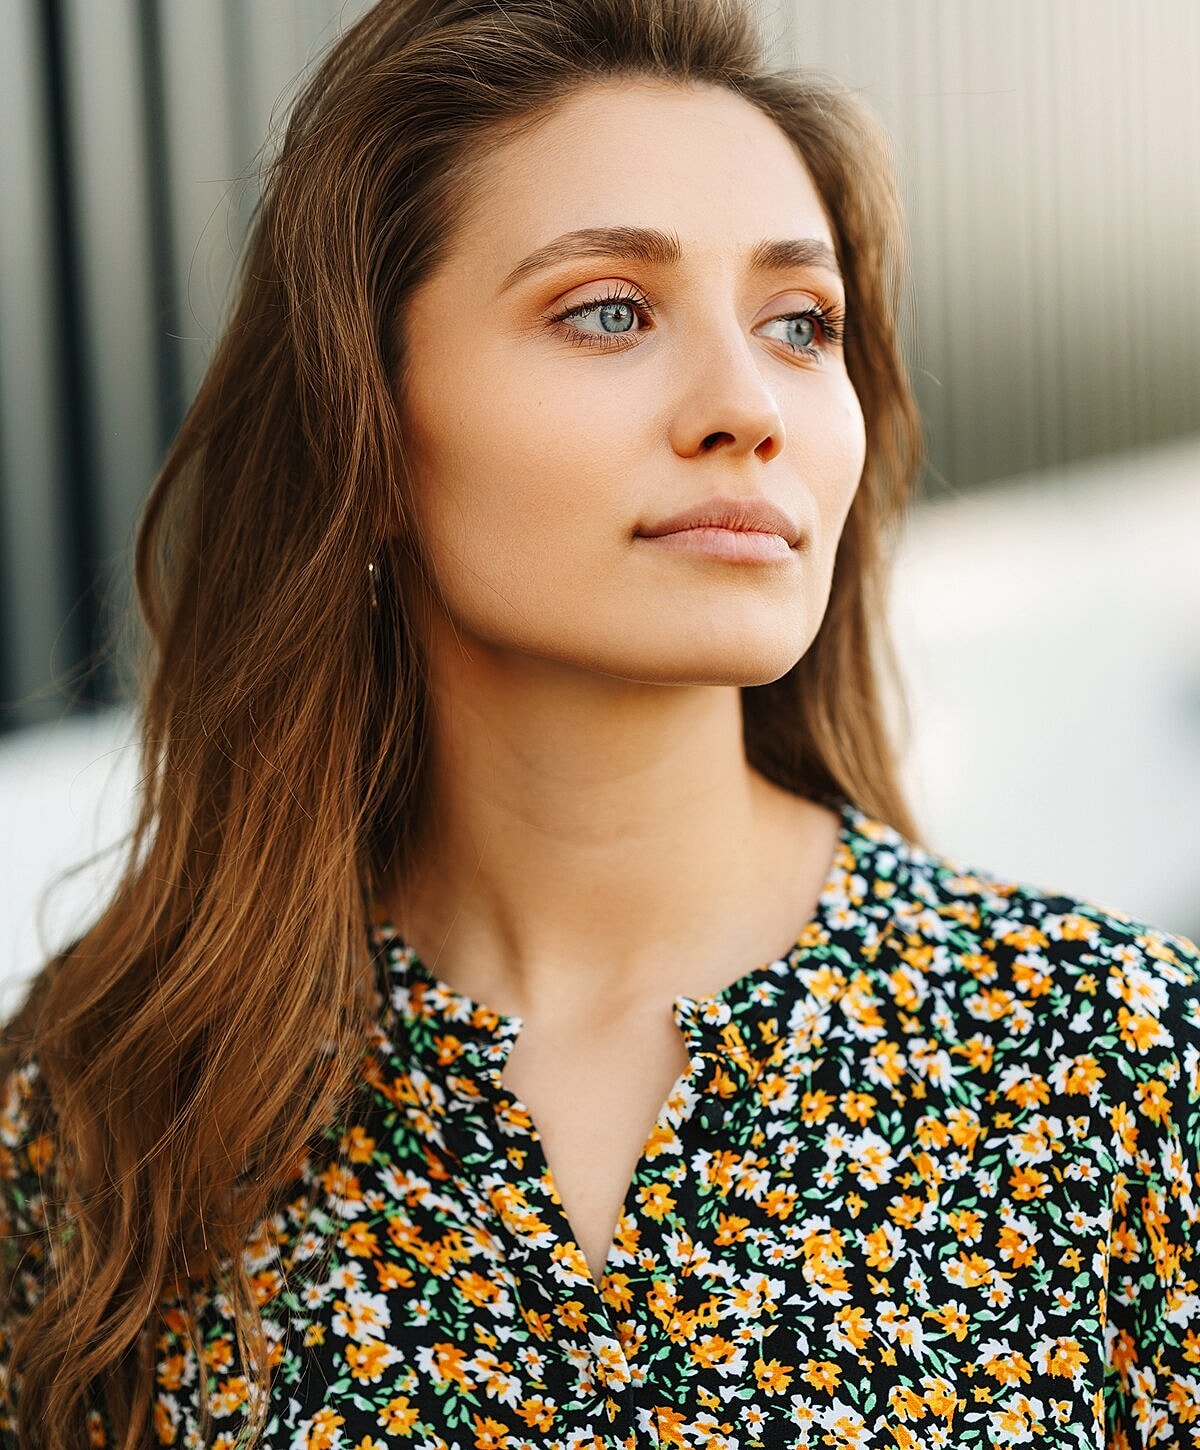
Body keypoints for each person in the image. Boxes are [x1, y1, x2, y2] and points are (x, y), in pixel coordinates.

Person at [3, 0, 1198, 1445]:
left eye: (799, 323)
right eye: (611, 309)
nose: (746, 405)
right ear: (367, 428)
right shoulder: (106, 1104)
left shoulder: (1117, 1066)